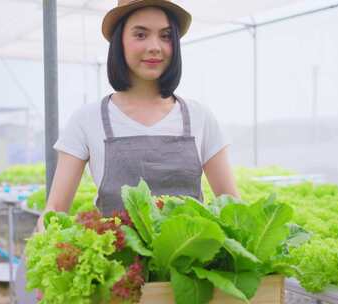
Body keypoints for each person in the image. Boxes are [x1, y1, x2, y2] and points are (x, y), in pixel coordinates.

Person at [16, 1, 239, 302]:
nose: (154, 47)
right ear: (119, 41)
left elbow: (231, 204)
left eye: (165, 36)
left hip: (189, 282)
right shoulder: (88, 119)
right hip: (118, 282)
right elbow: (55, 209)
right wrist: (48, 256)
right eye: (140, 34)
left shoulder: (199, 117)